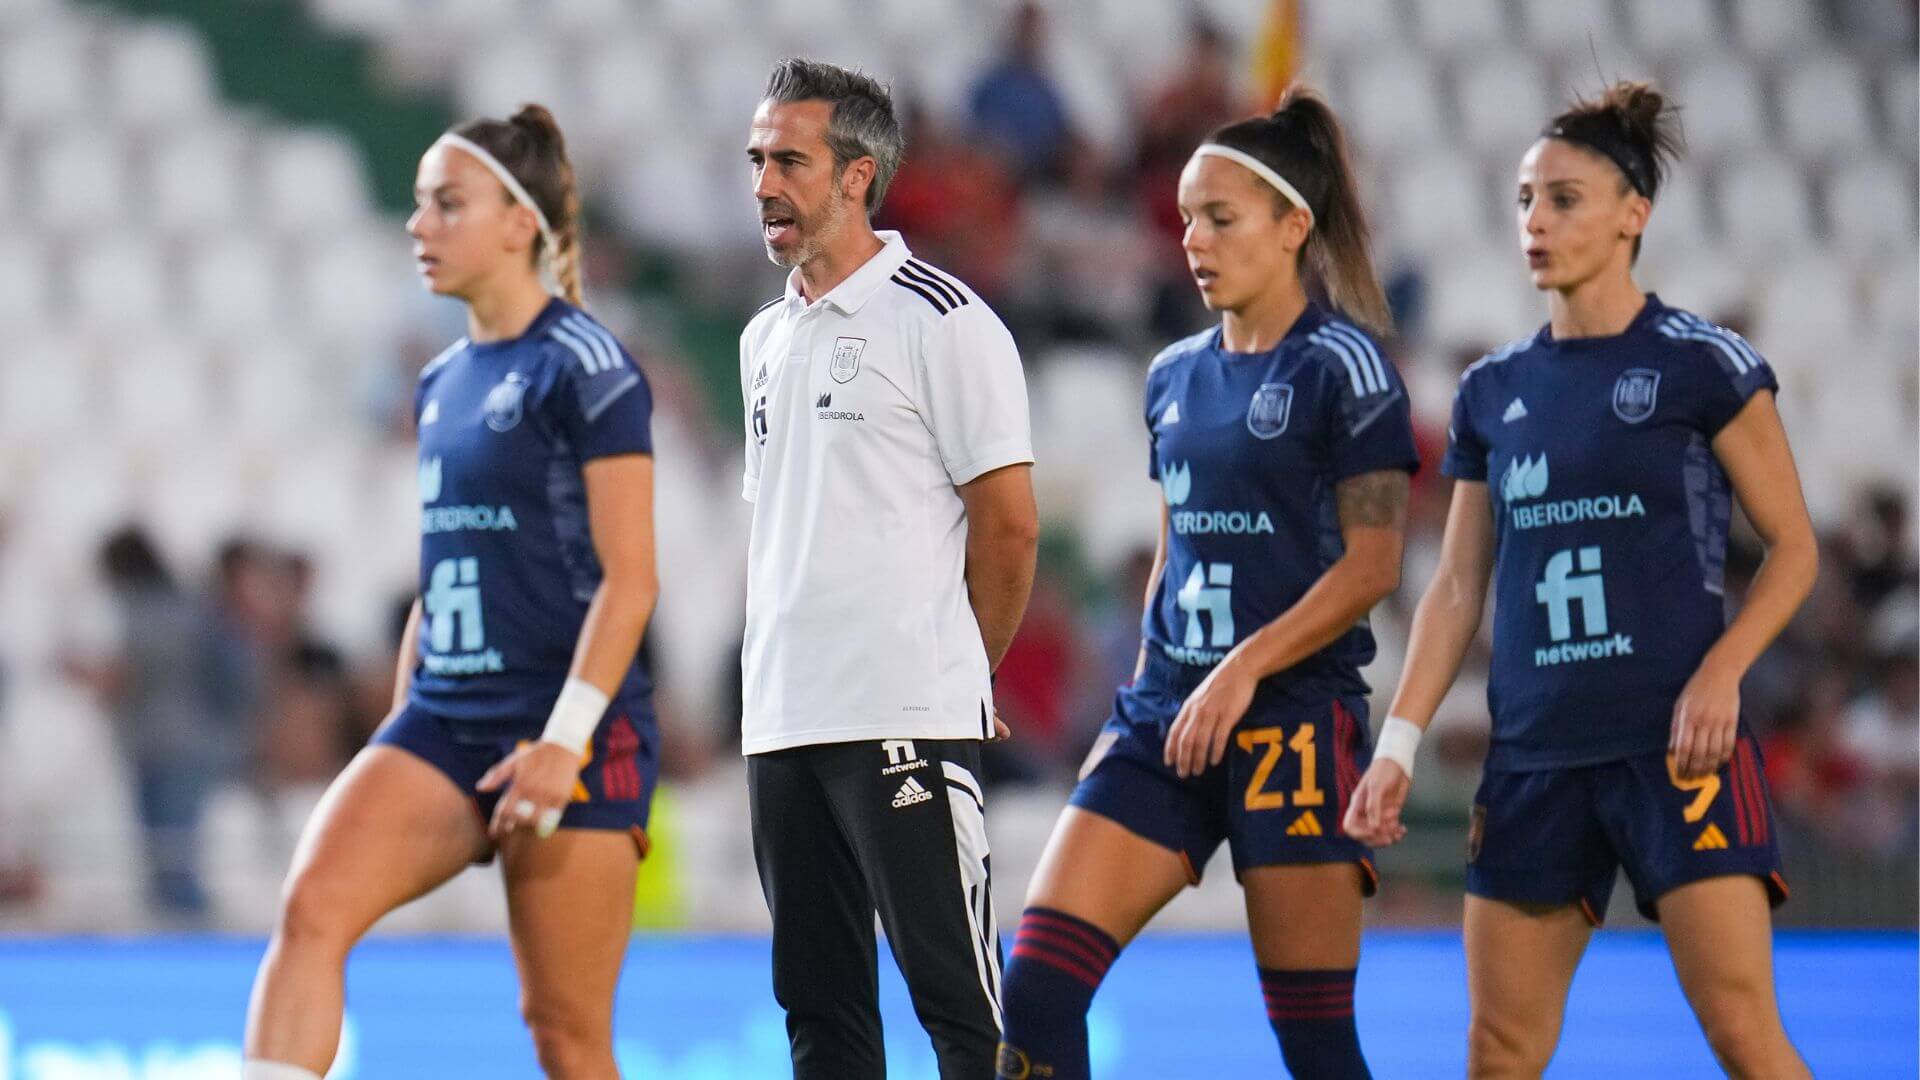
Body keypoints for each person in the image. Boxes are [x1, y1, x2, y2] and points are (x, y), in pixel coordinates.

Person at [1343, 82, 1817, 1078]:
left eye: (1562, 198)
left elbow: (1795, 549)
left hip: (1676, 748)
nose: (1536, 221)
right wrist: (1397, 744)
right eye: (1524, 200)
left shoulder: (1703, 365)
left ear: (1633, 214)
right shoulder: (1492, 389)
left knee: (1741, 1033)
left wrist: (1725, 671)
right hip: (1534, 758)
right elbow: (1459, 589)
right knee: (1500, 1050)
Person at [997, 88, 1418, 1080]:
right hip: (1165, 719)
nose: (1193, 238)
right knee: (1036, 988)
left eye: (1220, 217)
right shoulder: (1174, 375)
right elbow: (1174, 546)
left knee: (1314, 1042)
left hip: (1294, 724)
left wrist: (1241, 672)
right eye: (1185, 217)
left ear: (1291, 227)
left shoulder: (1348, 370)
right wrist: (1151, 684)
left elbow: (1375, 566)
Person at [243, 104, 661, 1080]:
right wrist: (402, 729)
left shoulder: (589, 369)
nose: (417, 225)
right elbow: (446, 571)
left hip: (570, 733)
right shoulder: (437, 381)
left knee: (565, 1036)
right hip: (443, 719)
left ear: (521, 222)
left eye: (445, 204)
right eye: (421, 206)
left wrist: (565, 742)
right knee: (309, 911)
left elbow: (632, 581)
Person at [739, 59, 1038, 1079]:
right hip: (782, 719)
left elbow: (1008, 530)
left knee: (962, 1013)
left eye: (789, 160)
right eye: (756, 160)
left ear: (858, 175)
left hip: (901, 714)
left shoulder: (944, 321)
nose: (764, 183)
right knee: (821, 1021)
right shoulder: (762, 340)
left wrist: (961, 670)